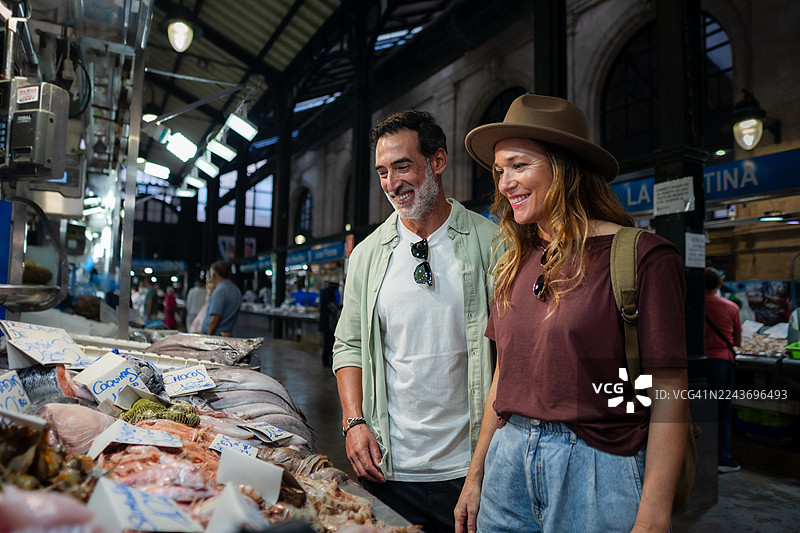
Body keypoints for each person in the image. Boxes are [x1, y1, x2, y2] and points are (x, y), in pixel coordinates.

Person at [455, 94, 689, 533]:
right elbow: (504, 376)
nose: (505, 184)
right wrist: (476, 475)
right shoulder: (515, 260)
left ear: (564, 169)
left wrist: (654, 516)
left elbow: (669, 390)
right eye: (500, 171)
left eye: (519, 166)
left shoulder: (641, 256)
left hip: (599, 462)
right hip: (507, 463)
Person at [332, 109, 500, 532]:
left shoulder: (490, 244)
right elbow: (348, 344)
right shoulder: (368, 255)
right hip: (388, 467)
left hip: (471, 468)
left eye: (403, 166)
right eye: (382, 172)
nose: (392, 184)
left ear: (438, 161)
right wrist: (354, 424)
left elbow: (513, 354)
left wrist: (481, 465)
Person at [704, 267, 742, 473]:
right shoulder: (731, 307)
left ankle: (698, 454)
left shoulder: (689, 305)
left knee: (697, 409)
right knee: (722, 410)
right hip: (722, 362)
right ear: (719, 285)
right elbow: (737, 340)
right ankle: (722, 458)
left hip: (697, 365)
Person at [202, 262, 242, 337]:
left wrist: (208, 336)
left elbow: (215, 318)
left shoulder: (220, 291)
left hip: (216, 335)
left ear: (214, 275)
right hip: (226, 333)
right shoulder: (236, 290)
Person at [318, 278, 341, 368]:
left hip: (326, 324)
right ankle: (326, 361)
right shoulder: (329, 293)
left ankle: (327, 361)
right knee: (328, 343)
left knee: (327, 343)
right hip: (328, 325)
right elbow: (333, 307)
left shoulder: (326, 293)